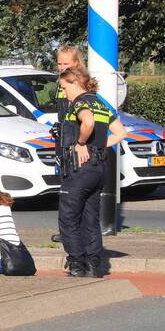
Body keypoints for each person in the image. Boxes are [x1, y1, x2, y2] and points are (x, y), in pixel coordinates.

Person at [58, 67, 127, 277]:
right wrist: (97, 147)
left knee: (69, 217)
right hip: (98, 169)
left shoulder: (80, 103)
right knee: (90, 218)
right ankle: (93, 264)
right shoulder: (101, 104)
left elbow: (88, 121)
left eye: (64, 88)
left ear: (75, 83)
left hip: (79, 170)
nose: (64, 94)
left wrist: (81, 144)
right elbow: (121, 133)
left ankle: (77, 263)